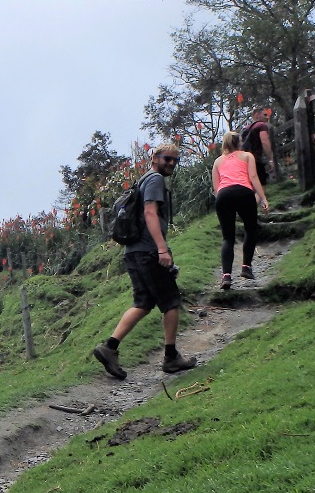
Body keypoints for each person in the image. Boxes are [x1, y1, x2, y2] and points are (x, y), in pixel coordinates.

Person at [93, 144, 197, 380]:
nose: (170, 163)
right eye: (167, 159)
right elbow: (150, 213)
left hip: (133, 252)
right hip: (148, 252)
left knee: (143, 302)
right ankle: (171, 357)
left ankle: (109, 347)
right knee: (170, 301)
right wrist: (162, 250)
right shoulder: (155, 180)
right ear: (154, 158)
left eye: (174, 161)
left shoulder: (142, 180)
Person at [211, 131, 270, 288]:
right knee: (251, 229)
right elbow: (253, 177)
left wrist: (222, 203)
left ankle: (226, 276)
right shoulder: (247, 156)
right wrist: (263, 198)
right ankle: (246, 267)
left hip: (224, 195)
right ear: (239, 143)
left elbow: (216, 189)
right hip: (244, 192)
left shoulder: (217, 162)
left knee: (227, 238)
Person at [242, 107, 275, 185]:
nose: (267, 117)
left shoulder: (246, 128)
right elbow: (265, 142)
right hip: (256, 161)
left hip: (245, 162)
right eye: (265, 115)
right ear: (257, 115)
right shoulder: (261, 125)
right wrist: (270, 159)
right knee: (261, 186)